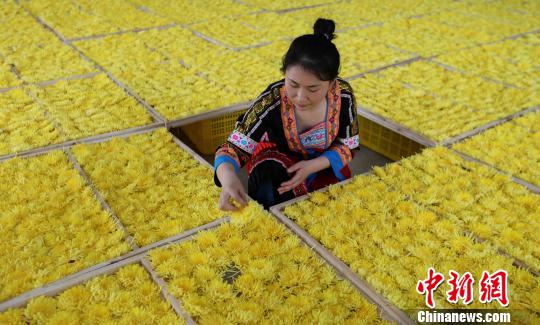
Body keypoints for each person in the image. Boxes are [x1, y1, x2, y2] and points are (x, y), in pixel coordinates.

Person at [214, 18, 359, 211]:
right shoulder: (272, 100)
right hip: (279, 161)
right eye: (293, 84)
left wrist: (313, 165)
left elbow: (350, 145)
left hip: (323, 164)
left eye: (313, 89)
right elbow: (234, 147)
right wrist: (228, 179)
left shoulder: (343, 96)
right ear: (284, 74)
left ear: (332, 83)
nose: (300, 97)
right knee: (270, 192)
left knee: (330, 209)